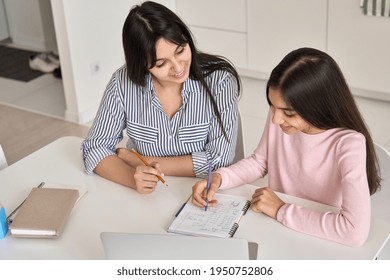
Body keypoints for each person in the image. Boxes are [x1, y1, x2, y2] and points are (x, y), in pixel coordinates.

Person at [191, 47, 381, 247]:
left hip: (320, 239)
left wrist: (281, 209)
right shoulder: (281, 119)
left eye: (288, 112)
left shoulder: (349, 144)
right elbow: (260, 162)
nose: (276, 119)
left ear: (317, 106)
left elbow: (354, 232)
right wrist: (220, 178)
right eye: (272, 106)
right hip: (276, 229)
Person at [81, 1, 241, 194]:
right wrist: (132, 178)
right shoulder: (123, 83)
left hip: (201, 192)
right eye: (161, 63)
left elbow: (219, 159)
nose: (178, 67)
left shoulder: (220, 80)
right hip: (147, 198)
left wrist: (143, 162)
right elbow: (94, 148)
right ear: (142, 65)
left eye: (180, 50)